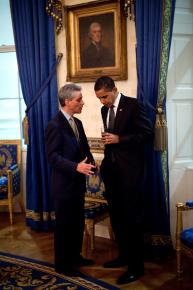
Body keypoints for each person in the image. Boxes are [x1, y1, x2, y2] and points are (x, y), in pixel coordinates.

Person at [94, 76, 153, 285]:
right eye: (99, 98)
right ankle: (124, 257)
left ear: (115, 90)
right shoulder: (104, 110)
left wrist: (121, 139)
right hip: (111, 172)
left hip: (131, 173)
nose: (102, 102)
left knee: (132, 219)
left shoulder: (134, 105)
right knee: (117, 218)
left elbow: (147, 133)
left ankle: (136, 268)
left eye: (105, 97)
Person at [45, 83, 95, 277]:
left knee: (77, 223)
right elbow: (53, 157)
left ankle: (75, 257)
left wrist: (91, 163)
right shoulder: (54, 125)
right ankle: (62, 265)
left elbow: (84, 149)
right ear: (67, 101)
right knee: (65, 226)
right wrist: (76, 167)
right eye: (79, 99)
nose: (83, 103)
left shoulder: (78, 123)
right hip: (64, 186)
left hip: (77, 184)